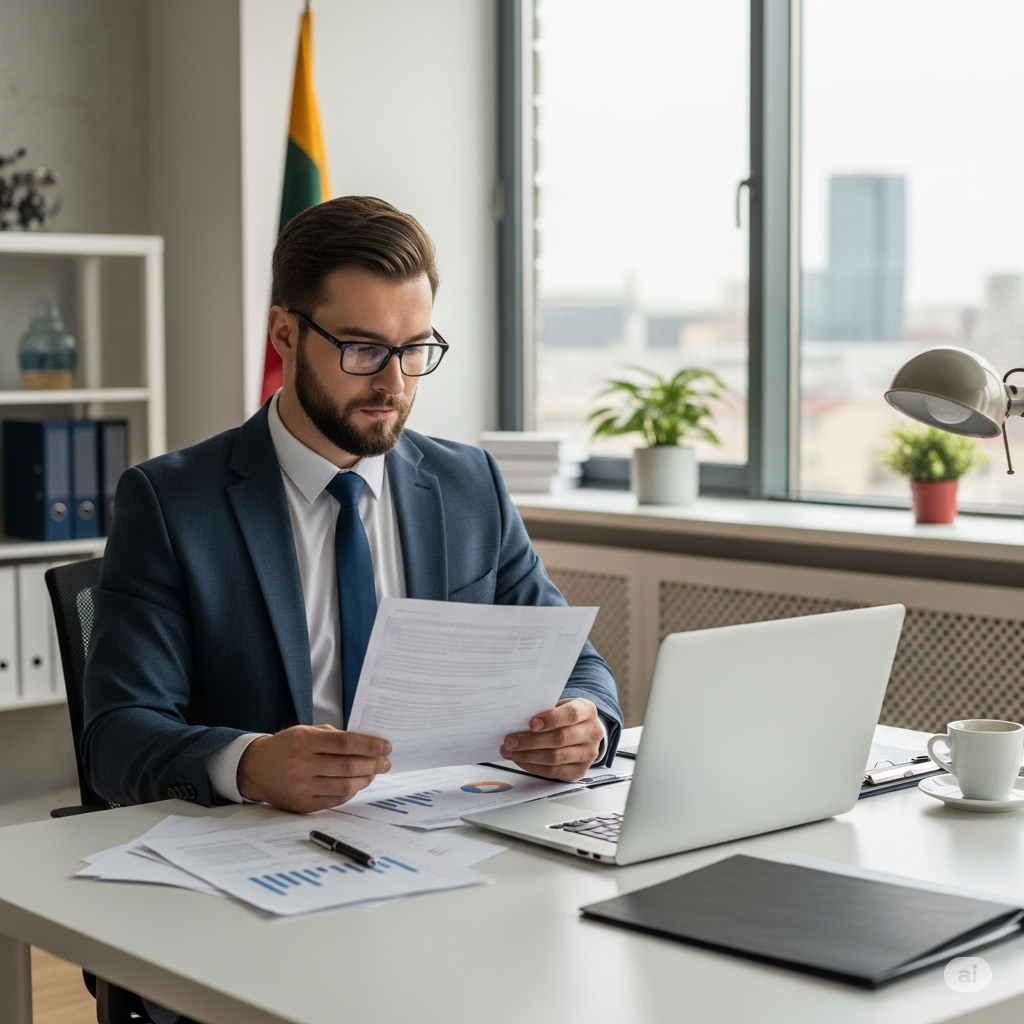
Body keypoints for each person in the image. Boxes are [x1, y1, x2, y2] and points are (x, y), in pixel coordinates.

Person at [81, 195, 622, 814]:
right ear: (285, 333)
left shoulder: (470, 484)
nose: (393, 383)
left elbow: (577, 667)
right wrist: (250, 765)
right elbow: (115, 738)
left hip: (451, 829)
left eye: (414, 349)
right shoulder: (172, 503)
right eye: (363, 350)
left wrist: (587, 723)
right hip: (264, 854)